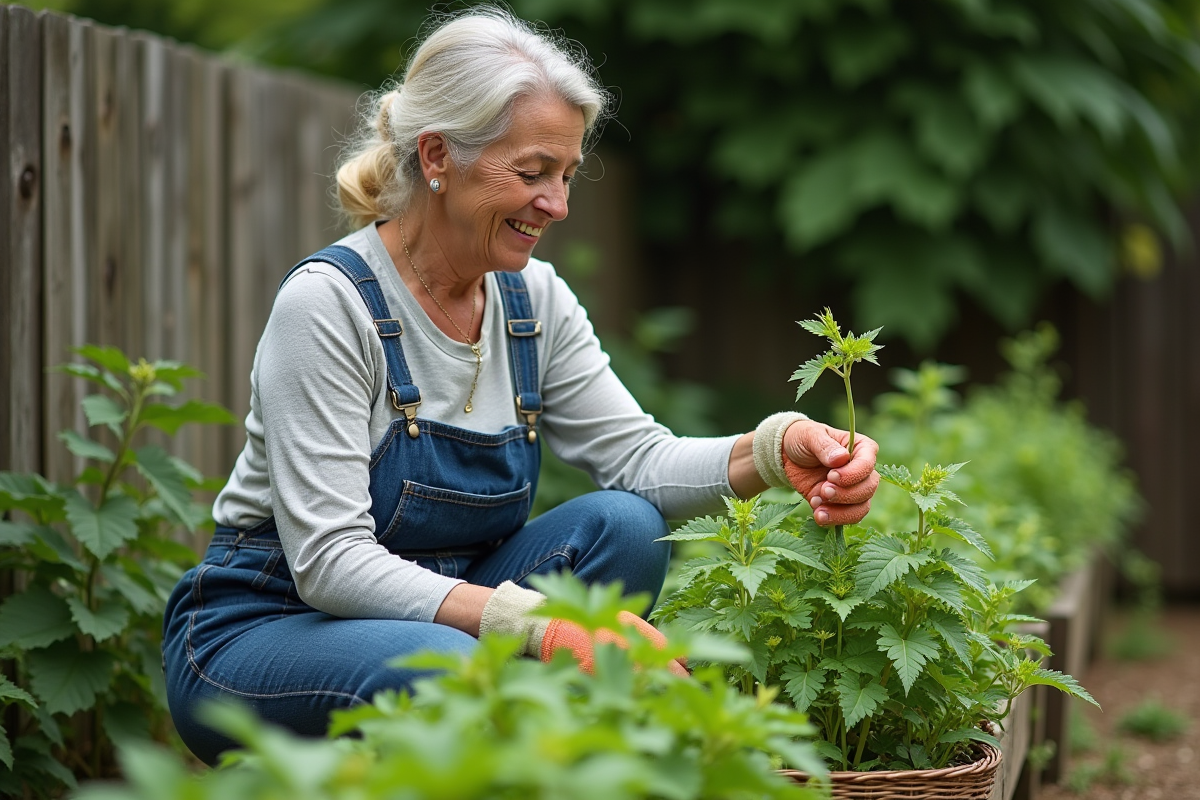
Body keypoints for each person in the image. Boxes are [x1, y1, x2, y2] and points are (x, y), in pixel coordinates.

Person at [161, 7, 880, 765]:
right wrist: (538, 624)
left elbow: (638, 460)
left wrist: (775, 450)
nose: (558, 205)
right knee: (455, 666)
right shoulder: (330, 306)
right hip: (262, 630)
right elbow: (331, 562)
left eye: (567, 176)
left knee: (624, 526)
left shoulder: (530, 301)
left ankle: (564, 767)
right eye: (533, 173)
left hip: (446, 616)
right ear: (437, 155)